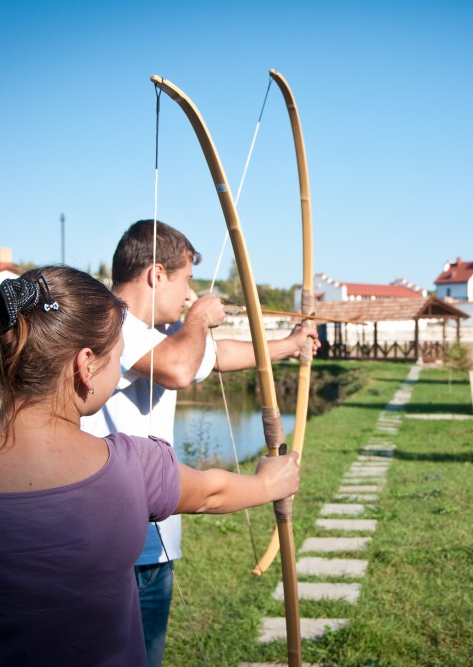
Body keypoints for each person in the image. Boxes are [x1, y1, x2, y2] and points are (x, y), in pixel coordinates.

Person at [0, 266, 299, 667]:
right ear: (85, 365)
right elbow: (210, 493)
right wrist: (267, 484)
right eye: (116, 357)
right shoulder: (134, 466)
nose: (119, 368)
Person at [81, 220, 317, 666]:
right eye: (186, 279)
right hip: (111, 545)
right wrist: (198, 319)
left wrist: (289, 344)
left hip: (153, 547)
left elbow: (217, 355)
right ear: (156, 274)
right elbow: (179, 369)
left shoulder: (158, 335)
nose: (190, 293)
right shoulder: (108, 323)